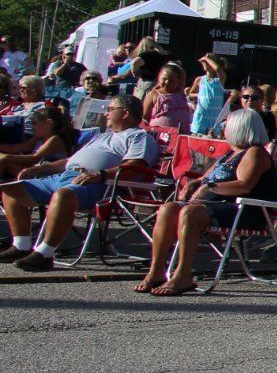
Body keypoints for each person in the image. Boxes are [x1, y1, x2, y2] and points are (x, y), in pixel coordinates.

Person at [1, 94, 158, 270]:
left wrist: (100, 174)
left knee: (63, 195)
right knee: (12, 189)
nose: (106, 114)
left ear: (125, 113)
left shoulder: (138, 137)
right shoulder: (102, 136)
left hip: (99, 184)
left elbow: (134, 166)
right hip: (66, 176)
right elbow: (70, 161)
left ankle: (45, 253)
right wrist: (39, 168)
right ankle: (21, 245)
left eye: (110, 109)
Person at [134, 107, 277, 297]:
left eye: (227, 124)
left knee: (190, 213)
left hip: (245, 212)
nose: (223, 128)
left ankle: (183, 275)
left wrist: (209, 187)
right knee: (168, 209)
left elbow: (244, 185)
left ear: (239, 127)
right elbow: (206, 179)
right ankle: (156, 271)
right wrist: (196, 183)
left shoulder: (255, 153)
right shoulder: (231, 153)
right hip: (218, 208)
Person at [0, 101, 79, 183]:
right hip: (33, 170)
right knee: (4, 162)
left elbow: (34, 158)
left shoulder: (55, 139)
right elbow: (14, 148)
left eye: (34, 123)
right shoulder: (38, 138)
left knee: (4, 162)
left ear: (49, 123)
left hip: (44, 175)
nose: (32, 127)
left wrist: (5, 157)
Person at [140, 63, 192, 134]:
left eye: (172, 81)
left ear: (178, 82)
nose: (167, 82)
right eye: (164, 79)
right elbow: (144, 117)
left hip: (181, 134)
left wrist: (173, 65)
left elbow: (182, 73)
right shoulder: (154, 94)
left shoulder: (180, 92)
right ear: (159, 78)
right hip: (160, 135)